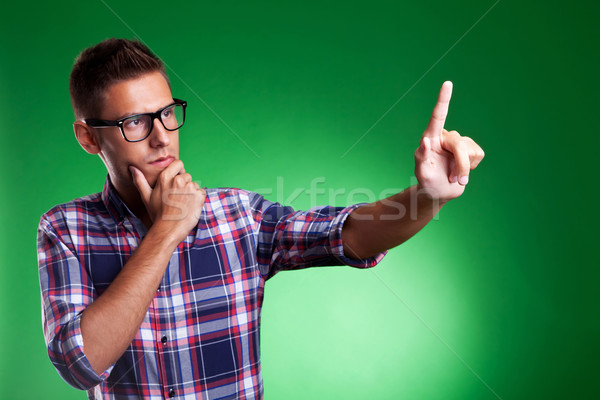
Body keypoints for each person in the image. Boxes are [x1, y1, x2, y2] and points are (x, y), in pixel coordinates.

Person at [37, 38, 484, 399]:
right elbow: (81, 364)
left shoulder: (237, 216)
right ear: (89, 137)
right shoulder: (65, 230)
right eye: (135, 122)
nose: (161, 138)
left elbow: (348, 233)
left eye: (167, 114)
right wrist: (167, 231)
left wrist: (427, 197)